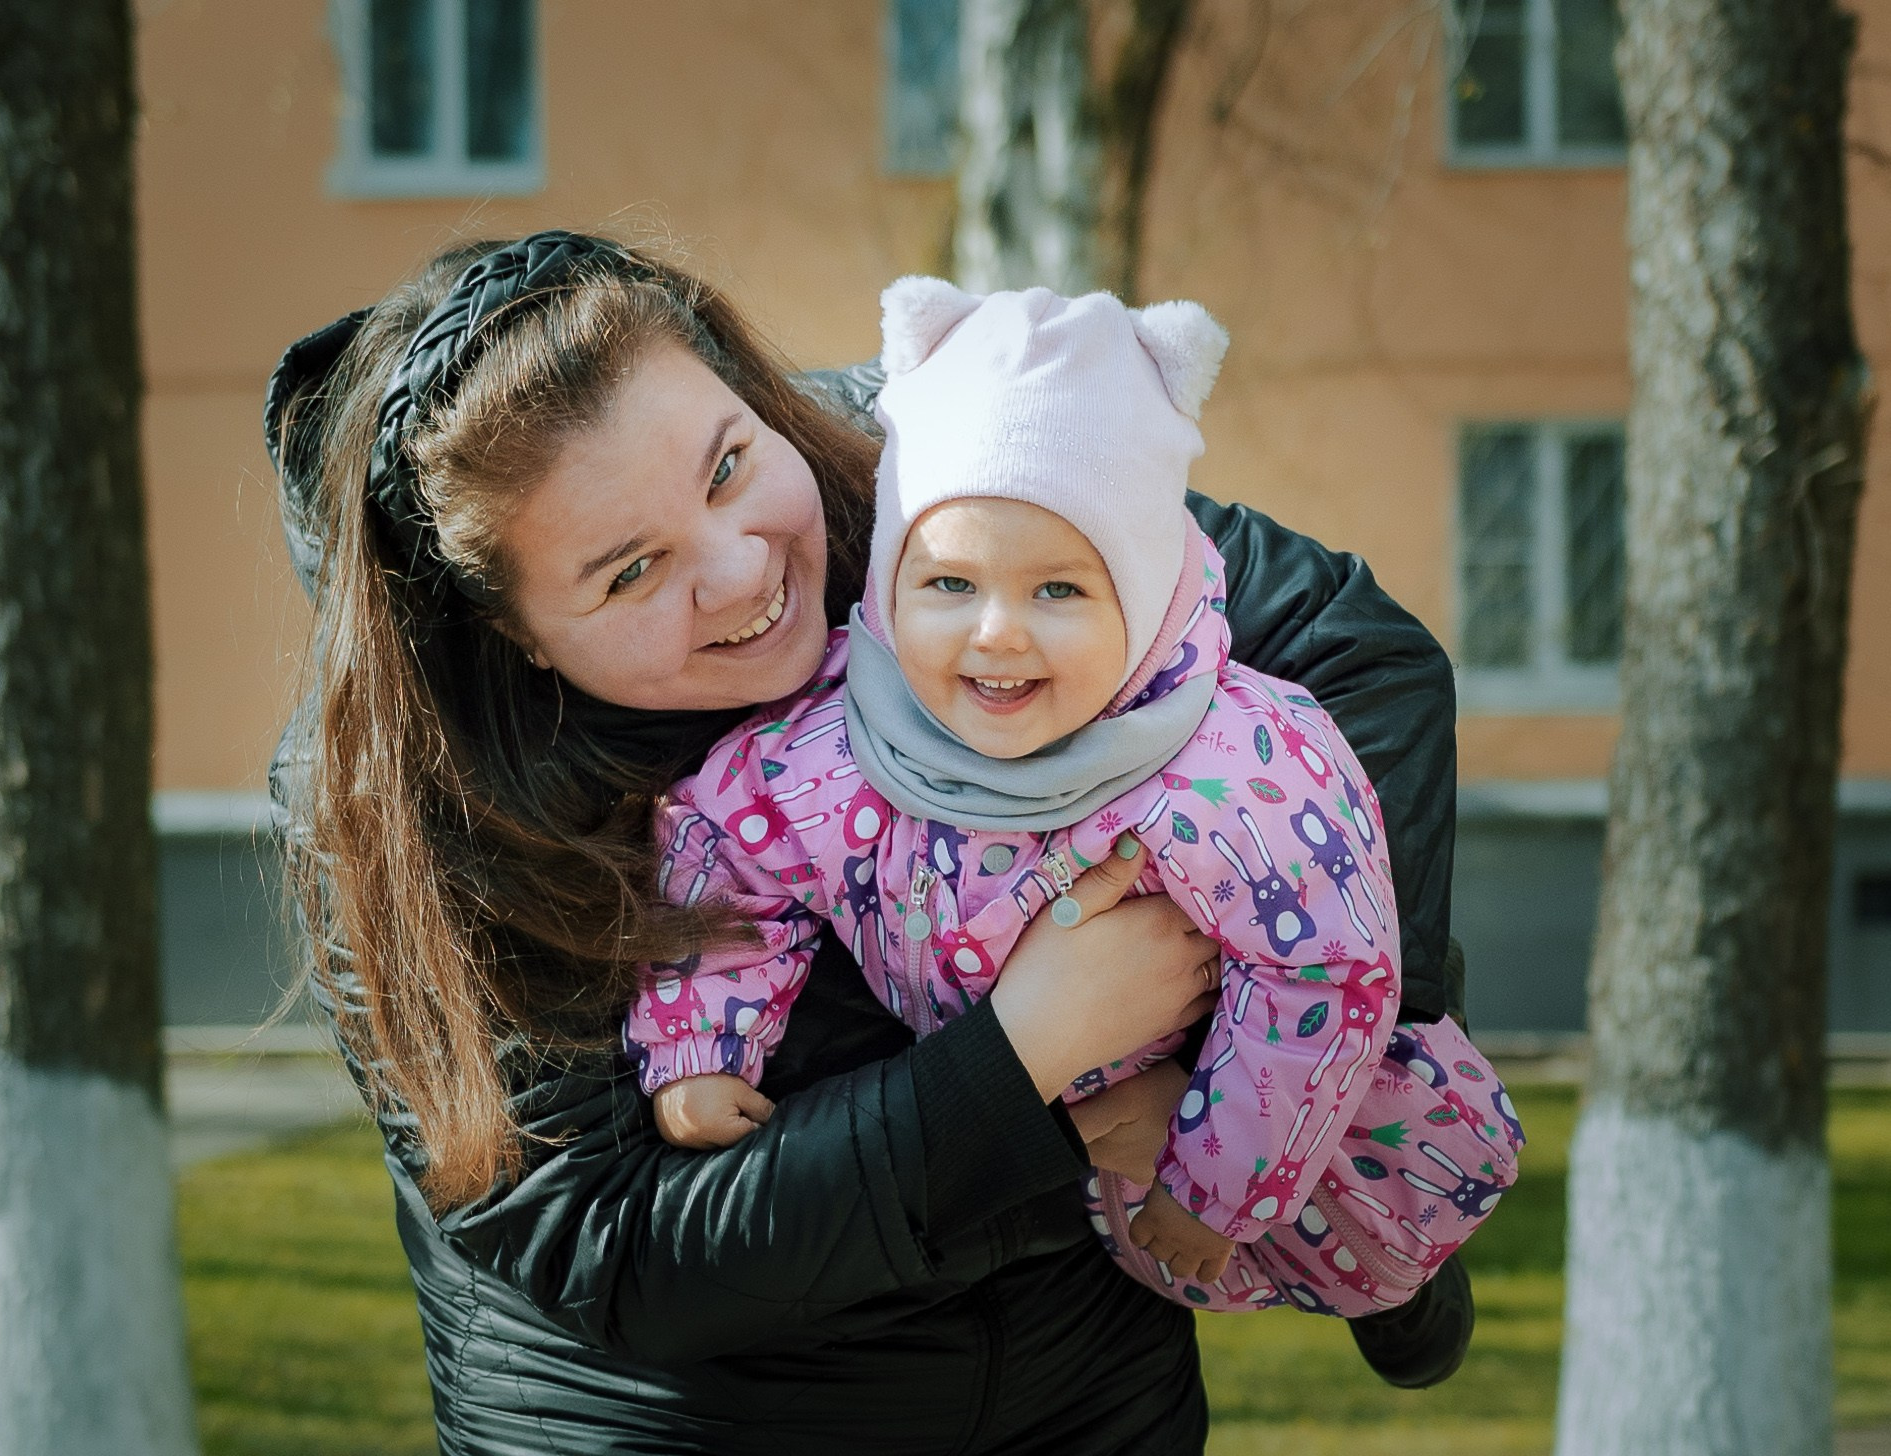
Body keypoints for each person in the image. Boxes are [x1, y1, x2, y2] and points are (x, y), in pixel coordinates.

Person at [265, 230, 1466, 1454]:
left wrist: (1274, 1055)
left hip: (1090, 1408)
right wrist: (1033, 1066)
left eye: (729, 465)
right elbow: (621, 1251)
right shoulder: (395, 806)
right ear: (507, 628)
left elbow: (1359, 654)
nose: (742, 572)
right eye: (631, 572)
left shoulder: (939, 466)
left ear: (743, 386)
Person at [626, 279, 1515, 1372]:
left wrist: (1213, 1174)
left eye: (1059, 590)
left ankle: (1401, 1292)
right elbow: (726, 854)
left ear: (1140, 591)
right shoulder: (838, 743)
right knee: (1161, 1244)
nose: (997, 635)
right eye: (948, 580)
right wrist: (702, 1040)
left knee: (1364, 1221)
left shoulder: (1229, 769)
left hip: (1255, 1101)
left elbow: (1323, 972)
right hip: (1068, 1139)